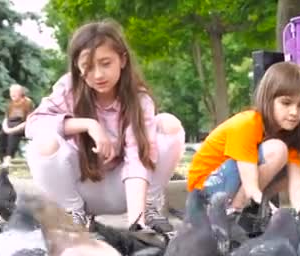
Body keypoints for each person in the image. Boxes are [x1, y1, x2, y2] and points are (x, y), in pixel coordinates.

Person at [24, 20, 185, 231]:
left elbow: (138, 159)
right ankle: (73, 216)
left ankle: (148, 208)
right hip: (81, 187)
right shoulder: (69, 88)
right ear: (78, 68)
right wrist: (88, 125)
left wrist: (136, 225)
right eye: (88, 67)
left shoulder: (139, 99)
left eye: (106, 63)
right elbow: (33, 125)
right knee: (43, 143)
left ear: (123, 60)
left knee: (169, 125)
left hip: (126, 190)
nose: (98, 74)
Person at [187, 61, 300, 212]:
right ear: (268, 99)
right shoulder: (247, 123)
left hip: (238, 186)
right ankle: (235, 212)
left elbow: (296, 186)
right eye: (286, 103)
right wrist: (273, 212)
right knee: (278, 150)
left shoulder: (289, 135)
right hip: (204, 191)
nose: (294, 112)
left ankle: (249, 208)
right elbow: (251, 187)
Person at [0, 84, 33, 168]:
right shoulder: (10, 104)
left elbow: (29, 119)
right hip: (10, 124)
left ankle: (8, 159)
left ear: (21, 93)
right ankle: (3, 158)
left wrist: (14, 129)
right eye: (11, 92)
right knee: (0, 135)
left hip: (22, 125)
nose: (12, 94)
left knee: (13, 135)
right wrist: (5, 128)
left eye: (15, 92)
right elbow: (6, 118)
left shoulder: (27, 102)